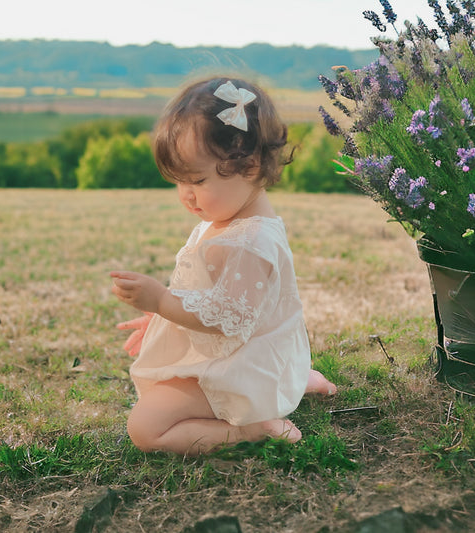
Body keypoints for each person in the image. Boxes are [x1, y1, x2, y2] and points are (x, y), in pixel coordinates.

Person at [110, 77, 336, 455]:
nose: (186, 194)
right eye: (178, 181)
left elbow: (227, 318)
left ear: (247, 166)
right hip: (243, 354)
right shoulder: (229, 223)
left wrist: (163, 302)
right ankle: (290, 380)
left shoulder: (250, 244)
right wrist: (165, 319)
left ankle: (254, 427)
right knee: (159, 410)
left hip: (238, 365)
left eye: (197, 179)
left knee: (146, 429)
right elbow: (221, 300)